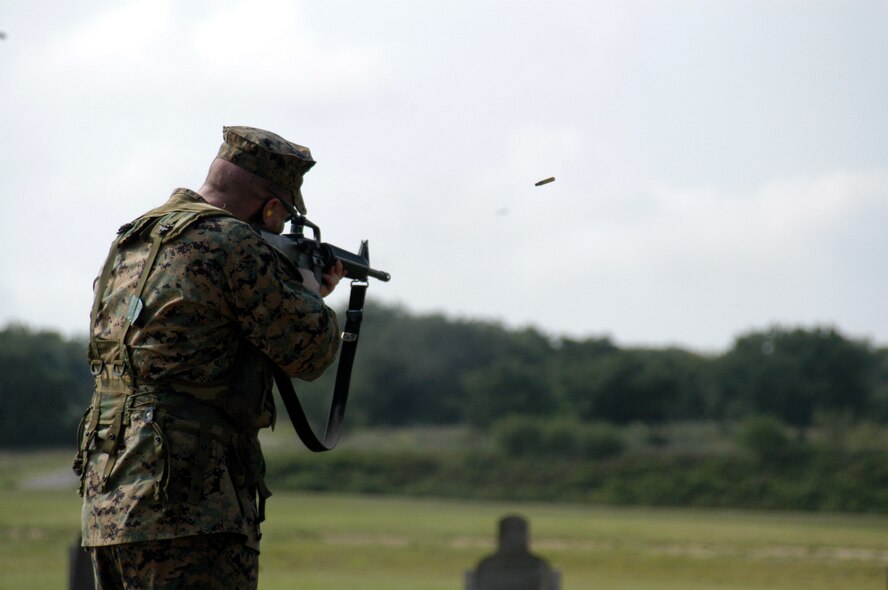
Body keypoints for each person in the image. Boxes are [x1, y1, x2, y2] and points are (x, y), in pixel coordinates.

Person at [73, 126, 345, 589]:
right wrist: (309, 293)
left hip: (109, 496)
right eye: (280, 219)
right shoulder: (232, 242)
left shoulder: (135, 237)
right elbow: (309, 352)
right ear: (272, 207)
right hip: (193, 503)